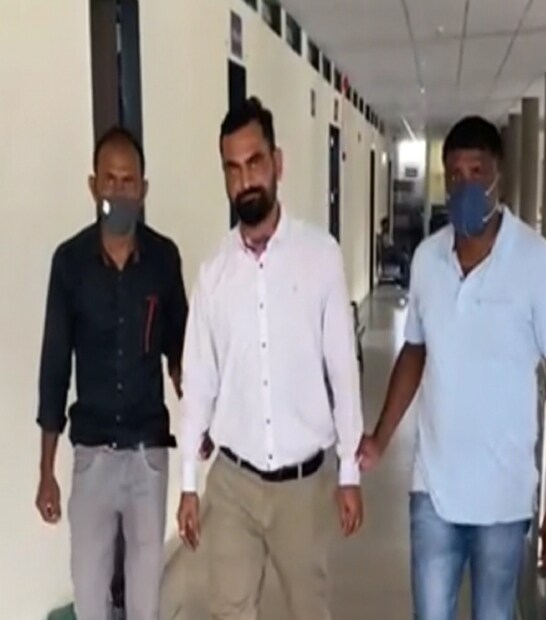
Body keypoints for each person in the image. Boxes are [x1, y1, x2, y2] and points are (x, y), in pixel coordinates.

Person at [358, 116, 546, 620]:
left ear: (498, 176)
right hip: (433, 491)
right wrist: (380, 437)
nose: (465, 186)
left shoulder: (534, 260)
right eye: (455, 174)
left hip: (503, 500)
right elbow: (414, 351)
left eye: (477, 172)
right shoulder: (427, 258)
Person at [177, 97, 364, 620]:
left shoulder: (320, 256)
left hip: (303, 486)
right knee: (229, 611)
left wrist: (349, 471)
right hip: (233, 483)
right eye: (232, 169)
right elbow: (199, 379)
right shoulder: (214, 273)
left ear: (277, 163)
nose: (245, 181)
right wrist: (188, 483)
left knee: (309, 610)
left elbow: (342, 369)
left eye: (254, 162)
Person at [35, 126, 188, 620]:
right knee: (90, 595)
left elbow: (181, 351)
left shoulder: (163, 260)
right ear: (93, 185)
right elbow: (54, 367)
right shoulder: (69, 264)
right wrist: (46, 472)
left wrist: (201, 424)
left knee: (146, 601)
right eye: (109, 180)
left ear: (143, 190)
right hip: (93, 456)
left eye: (129, 182)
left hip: (147, 457)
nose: (118, 191)